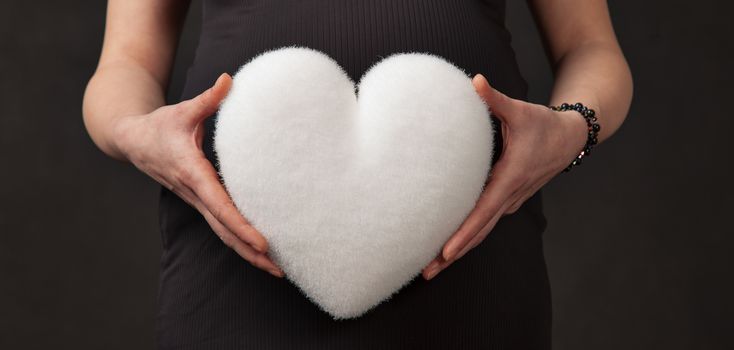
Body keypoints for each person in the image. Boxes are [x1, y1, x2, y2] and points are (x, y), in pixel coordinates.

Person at [82, 0, 632, 348]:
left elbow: (591, 48)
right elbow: (125, 64)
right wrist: (135, 132)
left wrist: (572, 128)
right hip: (235, 274)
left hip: (473, 267)